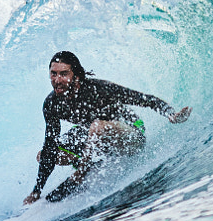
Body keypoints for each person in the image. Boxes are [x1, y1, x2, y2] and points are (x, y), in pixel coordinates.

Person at [23, 51, 191, 204]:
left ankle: (80, 175)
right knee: (46, 153)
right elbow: (49, 144)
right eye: (53, 74)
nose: (57, 80)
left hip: (130, 134)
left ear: (77, 75)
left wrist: (171, 114)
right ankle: (87, 165)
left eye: (64, 74)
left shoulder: (99, 89)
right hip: (99, 142)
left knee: (97, 126)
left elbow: (146, 99)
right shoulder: (52, 104)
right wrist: (37, 191)